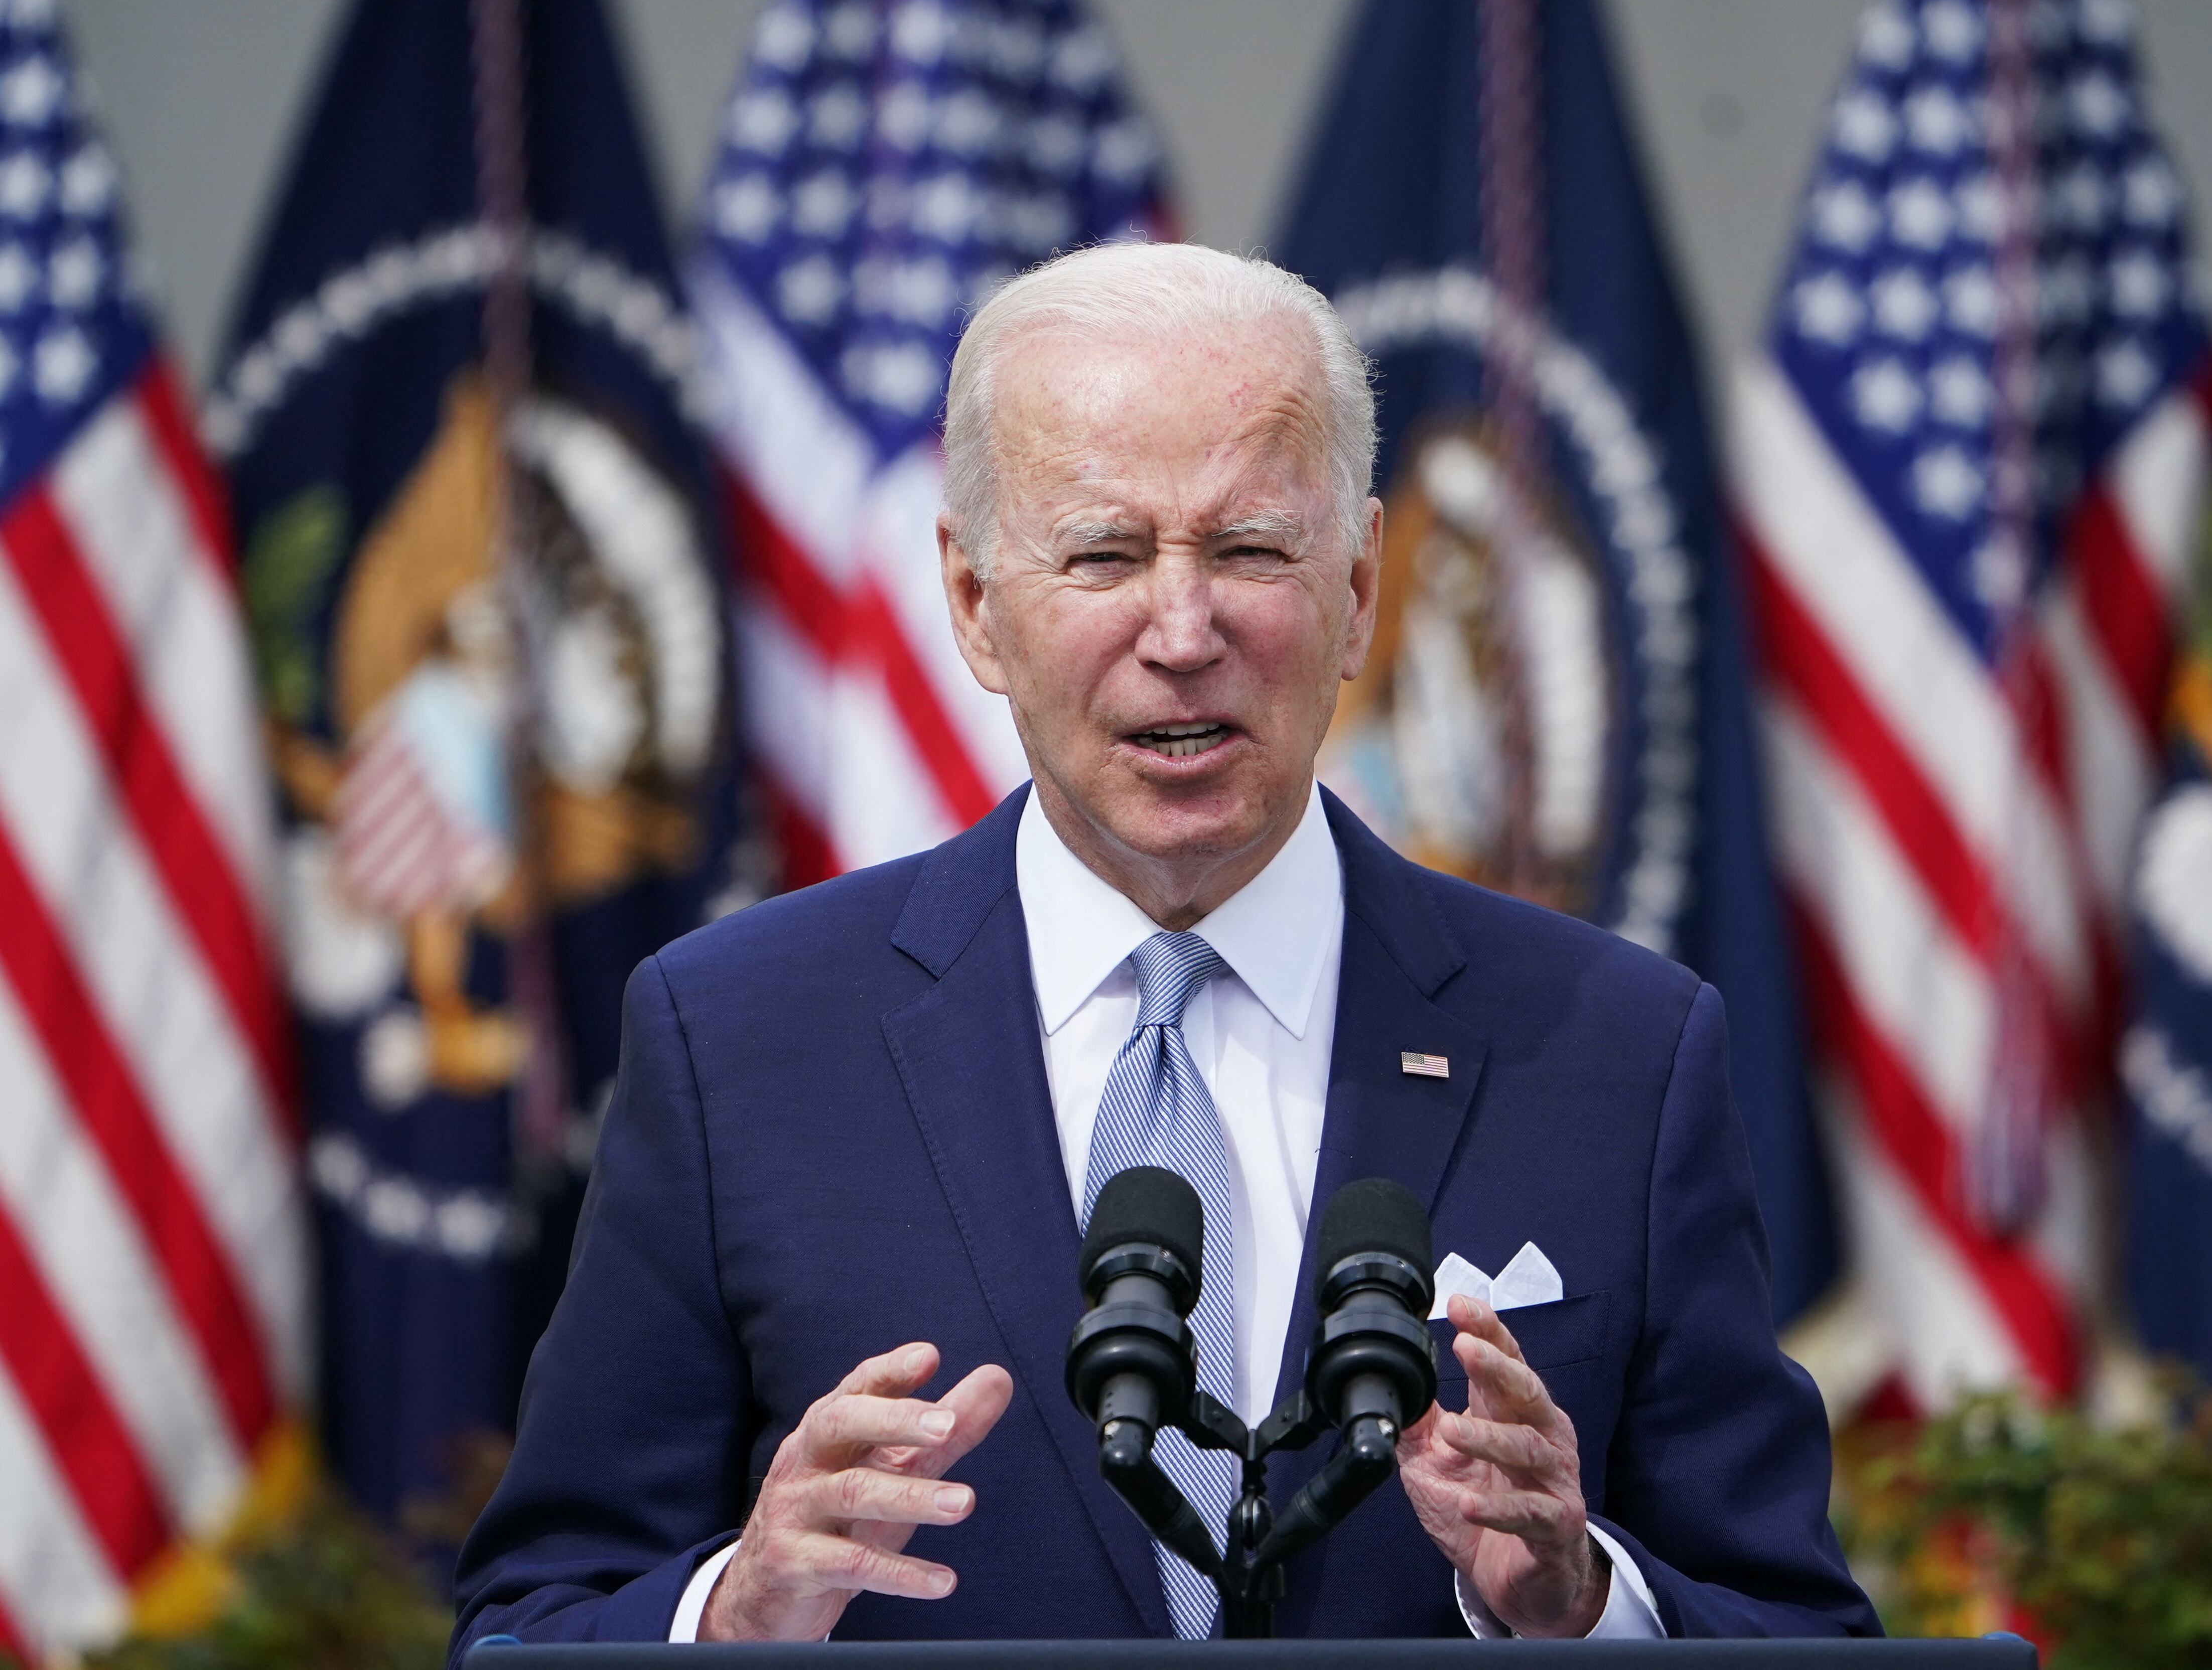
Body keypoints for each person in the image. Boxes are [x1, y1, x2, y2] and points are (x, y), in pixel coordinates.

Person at [451, 242, 1877, 1651]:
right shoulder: (738, 1043)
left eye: (1250, 549)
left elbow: (1798, 1629)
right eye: (1104, 555)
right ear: (972, 603)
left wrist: (1584, 1607)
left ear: (1362, 589)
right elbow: (532, 1622)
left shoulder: (1619, 1051)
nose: (1182, 631)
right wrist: (737, 1615)